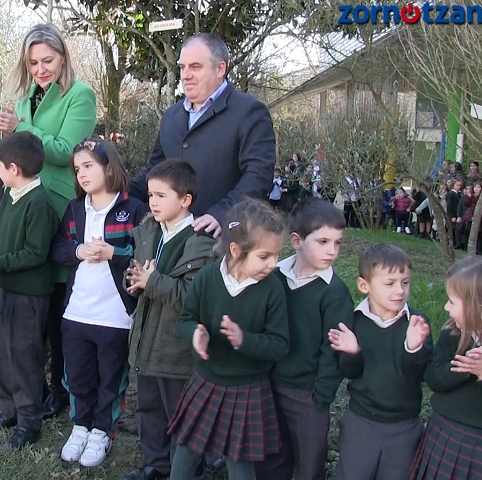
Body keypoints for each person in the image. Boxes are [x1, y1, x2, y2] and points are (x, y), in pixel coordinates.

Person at [0, 22, 96, 419]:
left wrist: (23, 128)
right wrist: (6, 132)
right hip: (23, 203)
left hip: (59, 205)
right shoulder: (23, 100)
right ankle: (33, 386)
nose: (40, 69)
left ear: (63, 57)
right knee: (36, 298)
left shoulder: (80, 96)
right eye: (33, 62)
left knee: (58, 303)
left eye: (47, 60)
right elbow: (19, 151)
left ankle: (61, 388)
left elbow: (68, 150)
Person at [168, 199, 289, 480]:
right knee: (186, 448)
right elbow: (186, 319)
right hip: (206, 380)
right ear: (236, 250)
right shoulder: (208, 277)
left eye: (277, 255)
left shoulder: (273, 289)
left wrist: (243, 340)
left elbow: (279, 345)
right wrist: (196, 333)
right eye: (264, 256)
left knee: (240, 460)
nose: (273, 264)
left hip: (247, 388)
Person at [50, 137, 147, 468]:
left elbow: (146, 256)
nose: (82, 174)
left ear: (109, 166)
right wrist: (78, 251)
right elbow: (59, 249)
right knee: (77, 376)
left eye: (89, 165)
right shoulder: (76, 209)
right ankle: (80, 425)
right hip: (77, 312)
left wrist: (113, 253)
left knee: (110, 378)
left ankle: (102, 430)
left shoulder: (133, 208)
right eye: (77, 169)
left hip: (115, 316)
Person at [122, 158, 217, 480]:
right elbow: (139, 274)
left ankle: (185, 471)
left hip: (177, 352)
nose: (153, 202)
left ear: (186, 200)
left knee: (182, 417)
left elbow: (195, 298)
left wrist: (153, 284)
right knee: (149, 410)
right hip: (147, 343)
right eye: (150, 195)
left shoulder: (200, 243)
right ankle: (155, 466)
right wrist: (134, 283)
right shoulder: (149, 232)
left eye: (162, 195)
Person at [129, 33, 275, 240]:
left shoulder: (249, 112)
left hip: (223, 241)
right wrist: (116, 189)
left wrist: (222, 214)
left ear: (220, 69)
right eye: (182, 67)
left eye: (195, 67)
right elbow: (155, 171)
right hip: (170, 240)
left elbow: (258, 175)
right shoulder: (171, 116)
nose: (186, 75)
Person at [0, 132, 60, 451]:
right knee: (3, 352)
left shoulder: (40, 203)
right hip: (6, 290)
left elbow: (34, 254)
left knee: (25, 357)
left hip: (30, 295)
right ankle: (9, 411)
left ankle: (29, 423)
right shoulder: (11, 194)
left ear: (13, 167)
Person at [255, 198, 354, 480]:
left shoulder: (334, 292)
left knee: (309, 463)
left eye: (337, 243)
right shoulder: (274, 277)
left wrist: (320, 396)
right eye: (322, 241)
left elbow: (332, 349)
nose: (332, 251)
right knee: (271, 458)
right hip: (269, 386)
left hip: (307, 395)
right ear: (297, 241)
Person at [411, 256, 482, 479]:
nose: (446, 307)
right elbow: (434, 378)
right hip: (443, 436)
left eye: (453, 302)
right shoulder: (453, 333)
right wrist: (465, 368)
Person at [328, 244, 432, 479]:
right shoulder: (354, 321)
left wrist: (414, 348)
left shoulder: (416, 323)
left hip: (404, 426)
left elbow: (421, 374)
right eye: (389, 283)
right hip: (361, 421)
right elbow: (349, 372)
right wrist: (352, 353)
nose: (400, 290)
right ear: (364, 285)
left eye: (405, 282)